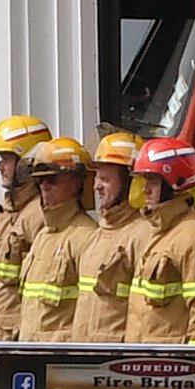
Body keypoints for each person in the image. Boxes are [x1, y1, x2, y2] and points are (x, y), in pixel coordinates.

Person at [126, 136, 195, 344]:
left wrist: (194, 368)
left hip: (173, 368)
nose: (145, 189)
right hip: (144, 363)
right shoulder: (157, 233)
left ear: (176, 182)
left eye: (152, 181)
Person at [15, 136, 97, 341]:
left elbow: (89, 312)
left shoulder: (87, 236)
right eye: (40, 180)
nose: (44, 186)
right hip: (29, 355)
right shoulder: (42, 236)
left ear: (77, 183)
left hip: (59, 362)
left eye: (52, 179)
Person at [0, 114, 51, 341]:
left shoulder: (39, 214)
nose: (0, 166)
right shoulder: (7, 212)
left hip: (15, 337)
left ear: (26, 163)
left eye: (6, 159)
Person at [75, 131, 149, 346]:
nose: (97, 185)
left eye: (105, 179)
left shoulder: (142, 235)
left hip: (116, 366)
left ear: (130, 183)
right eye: (97, 177)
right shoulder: (98, 233)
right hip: (86, 358)